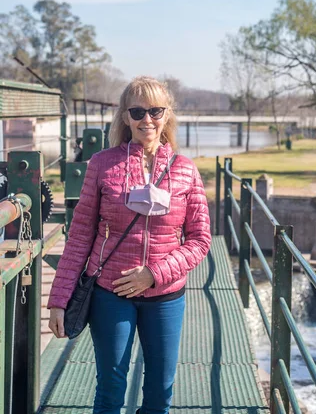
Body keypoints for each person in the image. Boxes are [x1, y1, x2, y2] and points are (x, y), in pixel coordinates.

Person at [48, 76, 211, 414]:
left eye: (155, 110)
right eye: (137, 111)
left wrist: (154, 274)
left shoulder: (185, 170)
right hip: (110, 293)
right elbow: (79, 236)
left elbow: (199, 240)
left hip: (165, 296)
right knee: (110, 390)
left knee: (159, 394)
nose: (146, 120)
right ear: (125, 116)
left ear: (166, 115)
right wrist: (58, 301)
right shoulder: (102, 165)